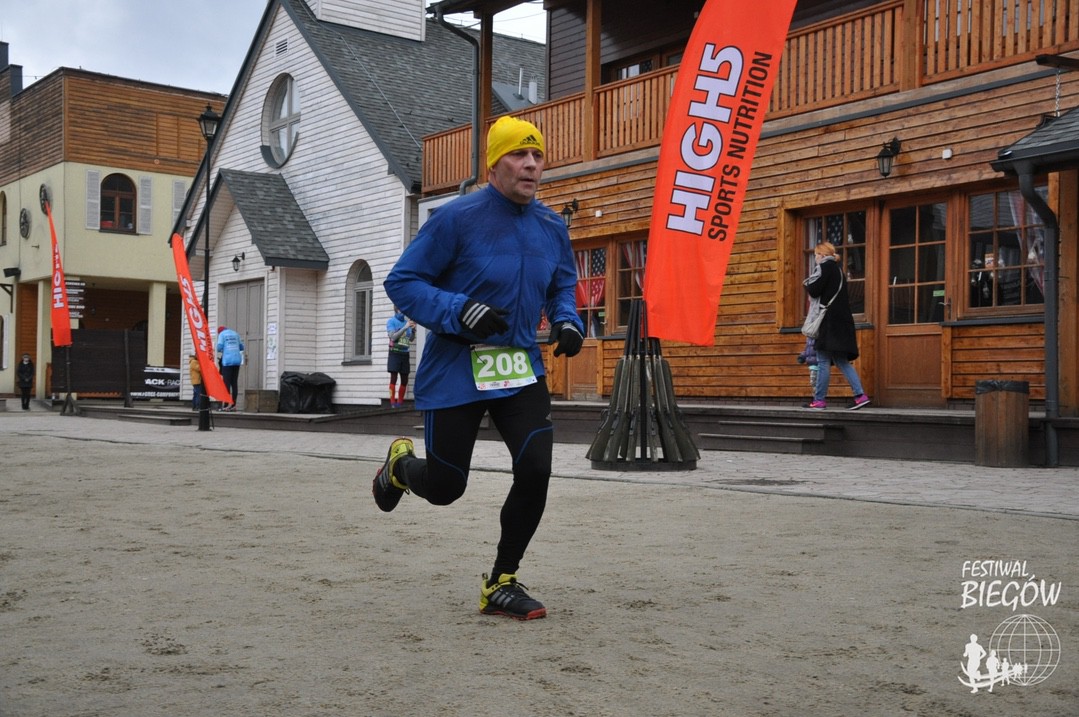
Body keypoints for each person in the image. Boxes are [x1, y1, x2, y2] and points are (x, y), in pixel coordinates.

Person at [376, 115, 584, 620]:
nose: (531, 165)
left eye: (537, 155)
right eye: (518, 154)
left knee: (535, 470)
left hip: (520, 367)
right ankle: (400, 468)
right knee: (446, 488)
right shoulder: (456, 218)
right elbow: (403, 282)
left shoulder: (552, 226)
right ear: (493, 165)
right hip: (456, 367)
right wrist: (459, 309)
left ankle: (501, 581)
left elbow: (562, 285)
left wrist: (567, 320)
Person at [803, 241, 870, 410]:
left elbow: (814, 290)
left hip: (828, 322)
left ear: (822, 255)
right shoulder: (839, 271)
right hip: (842, 322)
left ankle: (819, 400)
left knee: (823, 361)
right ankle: (860, 395)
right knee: (841, 361)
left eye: (816, 255)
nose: (815, 258)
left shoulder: (824, 268)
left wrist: (808, 283)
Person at [385, 307, 416, 408]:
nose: (402, 313)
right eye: (400, 310)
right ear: (396, 310)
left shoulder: (407, 322)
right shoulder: (391, 322)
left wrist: (413, 330)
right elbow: (393, 337)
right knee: (393, 377)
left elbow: (411, 339)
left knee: (404, 379)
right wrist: (405, 328)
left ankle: (400, 403)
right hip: (394, 352)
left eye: (403, 311)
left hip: (405, 353)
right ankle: (392, 403)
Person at [216, 326, 244, 410]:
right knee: (234, 383)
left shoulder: (222, 334)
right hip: (237, 361)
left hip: (227, 361)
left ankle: (226, 404)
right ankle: (234, 405)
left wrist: (224, 349)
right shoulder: (236, 334)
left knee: (226, 383)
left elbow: (219, 348)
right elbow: (242, 347)